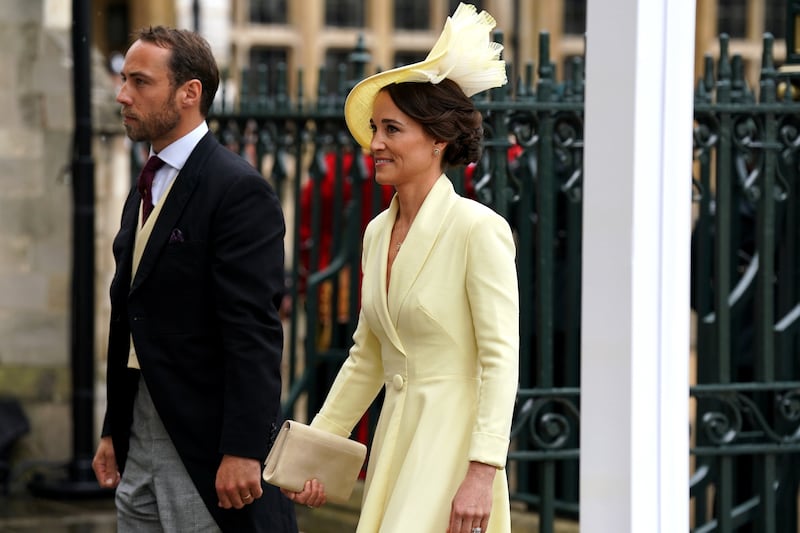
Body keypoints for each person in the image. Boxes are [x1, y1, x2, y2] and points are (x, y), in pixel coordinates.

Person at [284, 4, 519, 533]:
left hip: (453, 449)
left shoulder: (478, 229)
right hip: (396, 440)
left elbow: (500, 361)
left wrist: (483, 470)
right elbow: (367, 355)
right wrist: (316, 453)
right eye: (374, 128)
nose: (377, 143)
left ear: (437, 140)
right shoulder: (374, 232)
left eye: (392, 128)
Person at [90, 26, 297, 532]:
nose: (122, 95)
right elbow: (131, 312)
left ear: (190, 93)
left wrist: (244, 450)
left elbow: (253, 330)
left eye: (140, 82)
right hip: (139, 430)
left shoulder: (238, 189)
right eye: (123, 80)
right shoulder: (147, 181)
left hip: (206, 440)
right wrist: (114, 430)